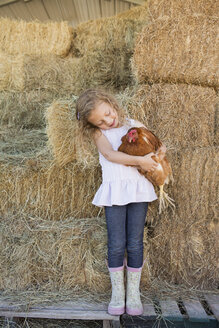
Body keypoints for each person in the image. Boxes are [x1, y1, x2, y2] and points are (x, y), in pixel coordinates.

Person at [75, 89, 166, 316]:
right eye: (101, 121)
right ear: (93, 125)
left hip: (138, 191)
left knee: (135, 242)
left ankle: (132, 294)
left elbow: (153, 146)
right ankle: (117, 293)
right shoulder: (98, 134)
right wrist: (139, 161)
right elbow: (110, 155)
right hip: (114, 193)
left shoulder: (134, 124)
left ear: (111, 103)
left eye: (107, 113)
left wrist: (158, 155)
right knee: (116, 243)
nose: (108, 120)